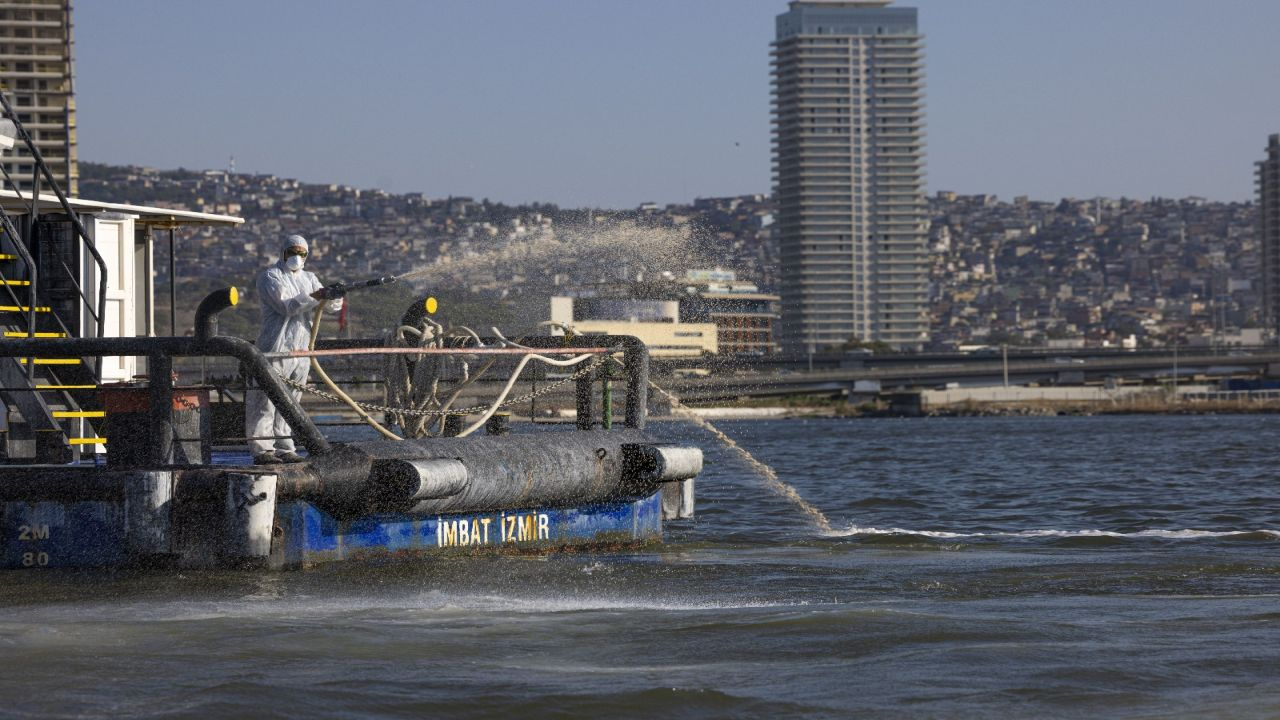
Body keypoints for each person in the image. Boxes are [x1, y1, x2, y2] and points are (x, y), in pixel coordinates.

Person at [245, 234, 344, 464]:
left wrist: (335, 295)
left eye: (301, 253)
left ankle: (285, 448)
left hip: (301, 351)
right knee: (266, 401)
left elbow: (330, 307)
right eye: (293, 252)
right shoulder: (270, 276)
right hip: (275, 348)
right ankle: (262, 450)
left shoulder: (310, 278)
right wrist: (318, 295)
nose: (296, 257)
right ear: (283, 252)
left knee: (291, 401)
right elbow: (287, 306)